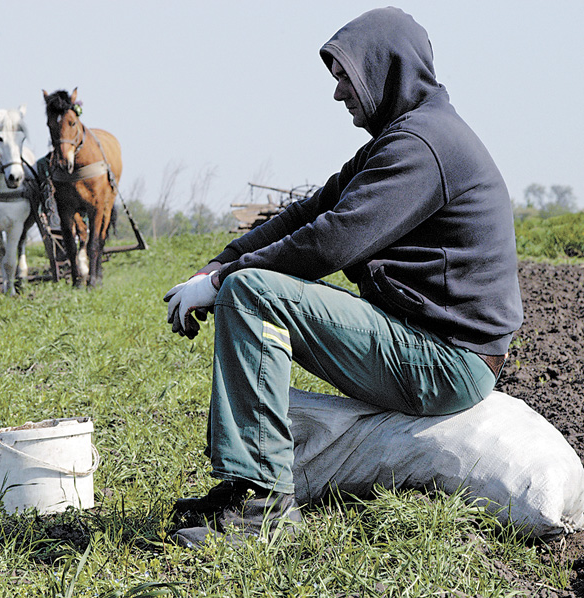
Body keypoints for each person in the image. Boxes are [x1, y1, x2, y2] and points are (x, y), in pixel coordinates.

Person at [163, 7, 524, 549]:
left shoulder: (422, 147)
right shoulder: (405, 136)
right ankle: (246, 487)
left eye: (346, 78)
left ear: (386, 70)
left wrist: (222, 283)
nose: (338, 95)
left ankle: (266, 510)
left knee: (253, 291)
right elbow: (308, 212)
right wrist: (219, 262)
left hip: (448, 361)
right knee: (244, 279)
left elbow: (328, 241)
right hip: (419, 339)